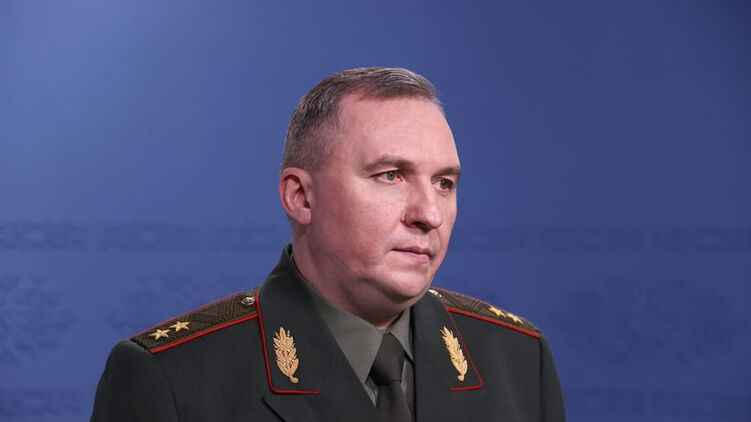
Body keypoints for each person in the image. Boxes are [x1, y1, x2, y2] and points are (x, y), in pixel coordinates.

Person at [91, 67, 566, 421]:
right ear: (301, 197)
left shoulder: (518, 359)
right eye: (390, 175)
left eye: (444, 183)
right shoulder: (173, 378)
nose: (429, 214)